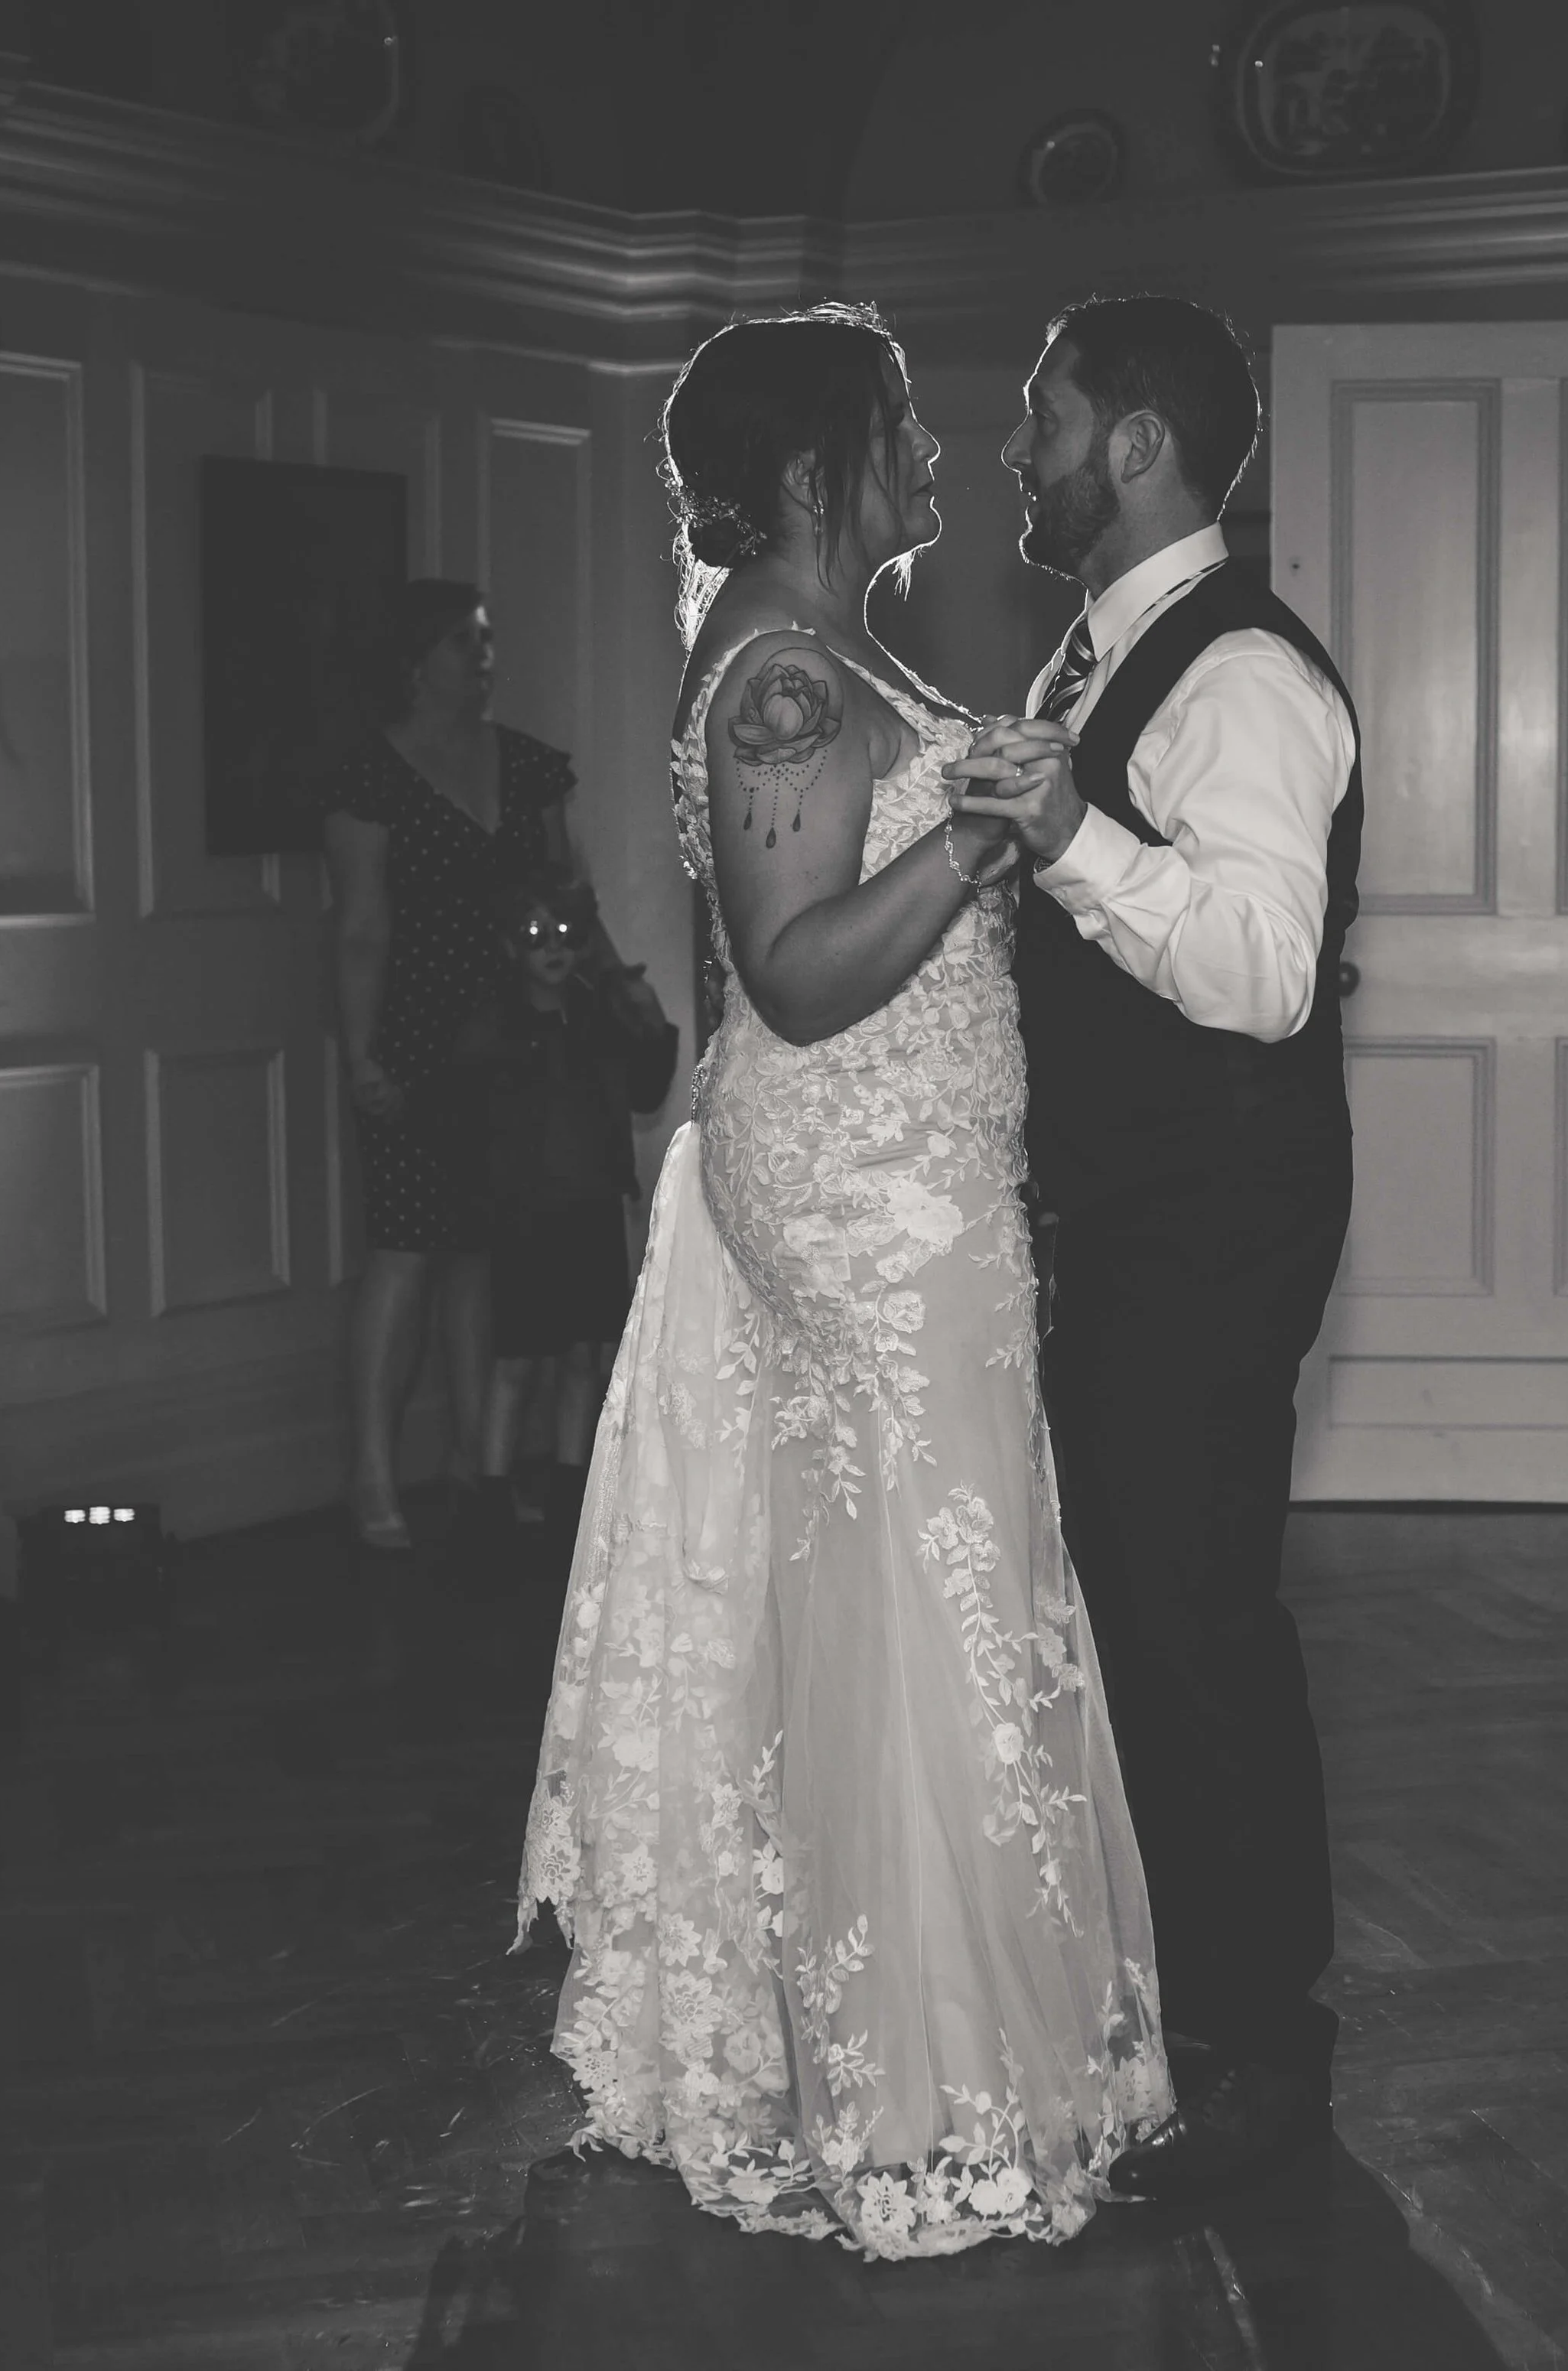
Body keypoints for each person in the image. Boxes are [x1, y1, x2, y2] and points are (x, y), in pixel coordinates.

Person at [514, 303, 1173, 2259]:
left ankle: (917, 2052)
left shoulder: (811, 653)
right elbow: (794, 974)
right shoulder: (780, 686)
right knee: (929, 1585)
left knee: (927, 1575)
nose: (940, 458)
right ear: (814, 473)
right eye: (901, 428)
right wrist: (981, 840)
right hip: (871, 1198)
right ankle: (925, 2096)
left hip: (917, 1178)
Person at [947, 294, 1362, 2200]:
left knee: (1192, 1618)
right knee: (1142, 1602)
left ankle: (1261, 2040)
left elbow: (1265, 973)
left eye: (1043, 419)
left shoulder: (1245, 674)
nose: (1019, 453)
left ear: (1133, 447)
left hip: (1209, 1211)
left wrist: (1071, 842)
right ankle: (1191, 1997)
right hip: (1134, 1203)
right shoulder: (1098, 653)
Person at [322, 580, 638, 1553]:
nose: (484, 655)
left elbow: (572, 899)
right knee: (408, 1251)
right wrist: (361, 1050)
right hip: (418, 1044)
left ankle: (475, 1461)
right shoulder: (371, 775)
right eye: (465, 641)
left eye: (489, 639)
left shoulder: (531, 768)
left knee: (486, 1252)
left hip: (517, 1045)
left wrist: (611, 1008)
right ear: (417, 659)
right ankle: (372, 1474)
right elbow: (361, 926)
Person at [454, 865, 678, 1576]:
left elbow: (645, 1094)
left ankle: (569, 1495)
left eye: (567, 933)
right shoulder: (489, 1026)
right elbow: (465, 1120)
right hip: (525, 1216)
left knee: (588, 1352)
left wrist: (648, 1020)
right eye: (533, 933)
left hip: (590, 1209)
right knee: (517, 1360)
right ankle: (489, 1502)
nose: (552, 946)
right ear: (506, 944)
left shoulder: (599, 1016)